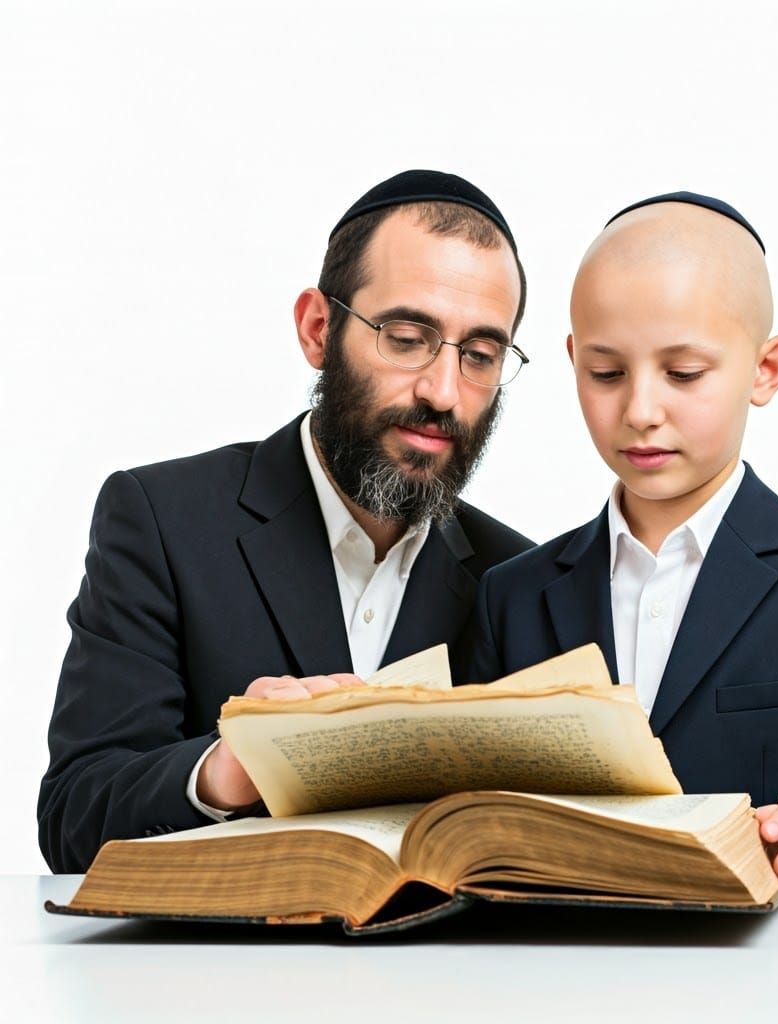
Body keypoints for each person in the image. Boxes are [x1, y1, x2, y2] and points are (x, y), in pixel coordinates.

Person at [38, 170, 534, 873]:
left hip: (441, 980)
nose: (443, 392)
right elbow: (71, 818)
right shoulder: (161, 520)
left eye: (479, 356)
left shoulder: (517, 578)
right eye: (405, 337)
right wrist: (224, 771)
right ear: (317, 328)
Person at [465, 191, 778, 896]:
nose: (639, 411)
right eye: (606, 373)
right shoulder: (511, 596)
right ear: (572, 360)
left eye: (684, 374)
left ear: (766, 369)